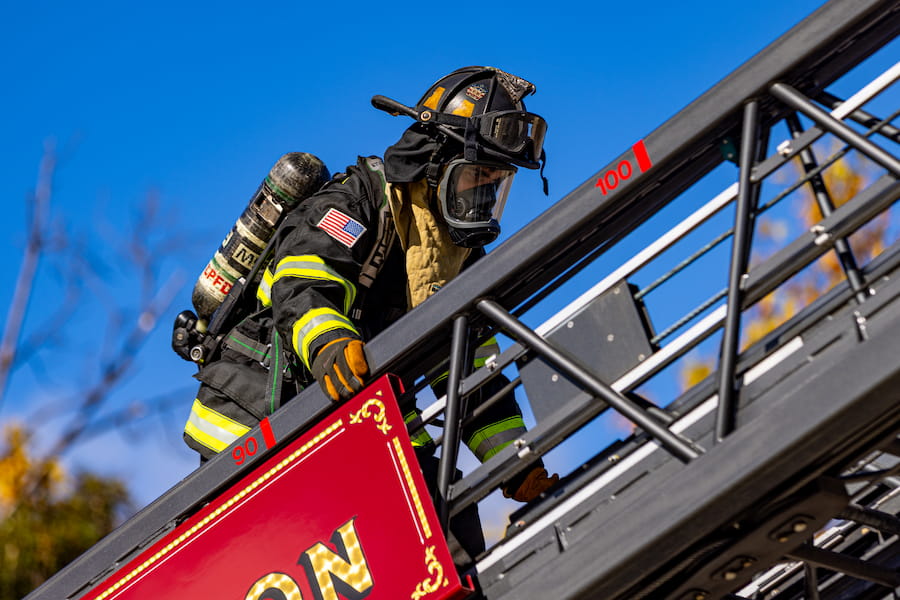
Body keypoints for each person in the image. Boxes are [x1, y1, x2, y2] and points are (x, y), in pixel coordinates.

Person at [181, 66, 558, 512]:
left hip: (359, 411)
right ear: (436, 164)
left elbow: (467, 367)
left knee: (444, 514)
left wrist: (516, 462)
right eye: (476, 177)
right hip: (257, 421)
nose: (484, 199)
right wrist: (329, 342)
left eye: (496, 185)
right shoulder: (358, 201)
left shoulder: (453, 256)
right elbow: (303, 279)